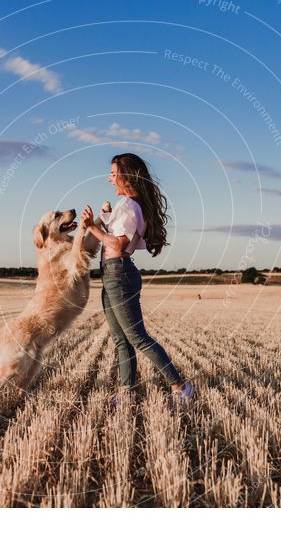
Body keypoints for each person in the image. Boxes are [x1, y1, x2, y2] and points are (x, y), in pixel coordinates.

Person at [81, 153, 195, 408]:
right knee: (121, 338)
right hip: (111, 273)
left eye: (113, 173)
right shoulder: (126, 205)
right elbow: (119, 230)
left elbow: (120, 244)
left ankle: (182, 388)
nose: (109, 179)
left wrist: (92, 227)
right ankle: (127, 392)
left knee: (137, 337)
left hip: (119, 273)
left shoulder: (131, 206)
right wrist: (106, 217)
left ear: (127, 175)